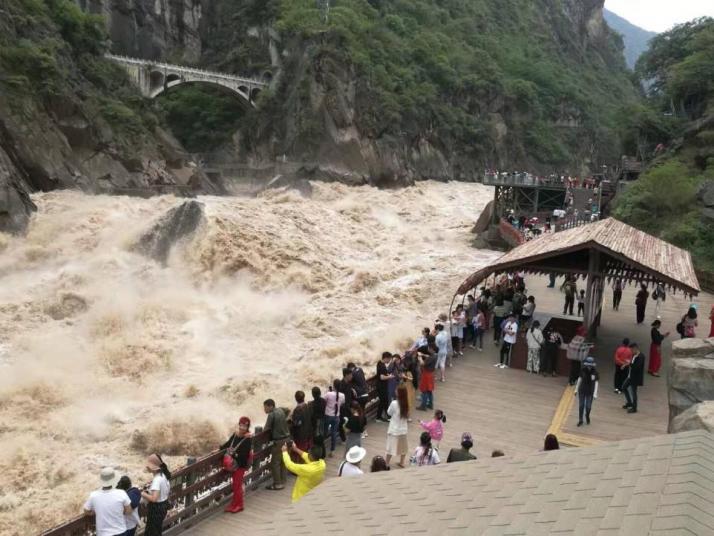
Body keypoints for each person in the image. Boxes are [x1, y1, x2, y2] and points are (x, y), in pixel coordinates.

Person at [83, 467, 132, 536]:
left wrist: (94, 512)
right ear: (114, 480)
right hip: (120, 531)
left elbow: (86, 510)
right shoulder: (121, 493)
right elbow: (128, 511)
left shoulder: (93, 495)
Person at [220, 417, 253, 513]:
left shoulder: (248, 439)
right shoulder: (235, 435)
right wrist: (219, 449)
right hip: (234, 464)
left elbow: (244, 455)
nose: (242, 428)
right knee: (235, 485)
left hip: (240, 465)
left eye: (245, 426)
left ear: (247, 427)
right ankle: (234, 504)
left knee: (237, 486)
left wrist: (232, 454)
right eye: (241, 425)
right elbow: (228, 444)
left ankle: (239, 505)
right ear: (239, 425)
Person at [141, 454, 171, 536]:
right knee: (157, 530)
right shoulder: (164, 475)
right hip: (163, 506)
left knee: (151, 532)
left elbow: (154, 499)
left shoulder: (157, 480)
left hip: (156, 509)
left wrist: (143, 494)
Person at [263, 399, 290, 490]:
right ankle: (283, 480)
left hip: (278, 441)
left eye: (265, 407)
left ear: (270, 406)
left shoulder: (271, 415)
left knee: (275, 463)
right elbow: (288, 410)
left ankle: (278, 484)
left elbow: (266, 429)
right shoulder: (281, 410)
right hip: (287, 439)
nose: (264, 409)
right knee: (283, 461)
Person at [385, 384, 409, 468]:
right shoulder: (407, 403)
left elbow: (389, 412)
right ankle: (402, 462)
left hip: (394, 428)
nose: (395, 391)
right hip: (403, 429)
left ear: (399, 393)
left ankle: (387, 463)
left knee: (390, 447)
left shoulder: (394, 403)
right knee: (403, 447)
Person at [574, 357, 599, 426]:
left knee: (588, 407)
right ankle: (580, 420)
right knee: (581, 405)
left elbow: (596, 383)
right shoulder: (583, 370)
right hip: (582, 390)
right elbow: (579, 380)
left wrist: (595, 393)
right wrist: (576, 389)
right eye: (588, 365)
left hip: (590, 392)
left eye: (590, 365)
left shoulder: (595, 372)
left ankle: (587, 415)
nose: (589, 366)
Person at [323, 380, 345, 457]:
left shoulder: (329, 394)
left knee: (324, 432)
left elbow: (323, 401)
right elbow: (342, 403)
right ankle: (332, 450)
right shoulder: (342, 395)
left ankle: (322, 448)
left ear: (334, 386)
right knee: (334, 433)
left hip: (328, 415)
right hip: (337, 416)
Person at [622, 343, 645, 414]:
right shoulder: (634, 355)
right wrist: (625, 364)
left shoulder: (641, 357)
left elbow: (636, 367)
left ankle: (634, 407)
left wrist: (629, 364)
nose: (631, 352)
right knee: (624, 387)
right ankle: (629, 402)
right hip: (630, 376)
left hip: (635, 377)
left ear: (635, 348)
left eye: (632, 350)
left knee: (634, 392)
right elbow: (632, 364)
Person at [290, 391, 313, 458]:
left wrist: (291, 420)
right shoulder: (308, 406)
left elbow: (297, 423)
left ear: (296, 398)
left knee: (299, 452)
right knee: (306, 450)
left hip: (300, 435)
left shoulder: (297, 409)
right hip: (308, 432)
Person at [308, 386, 326, 459]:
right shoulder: (323, 401)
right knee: (321, 440)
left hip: (316, 424)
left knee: (317, 441)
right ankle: (323, 454)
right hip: (322, 422)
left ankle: (318, 456)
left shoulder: (312, 404)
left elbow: (311, 415)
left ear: (313, 395)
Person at [375, 352, 394, 422]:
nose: (389, 361)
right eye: (389, 359)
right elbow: (382, 377)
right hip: (381, 386)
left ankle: (386, 416)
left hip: (380, 386)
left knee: (384, 401)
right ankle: (379, 417)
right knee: (383, 401)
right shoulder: (382, 366)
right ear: (386, 358)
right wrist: (390, 376)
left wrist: (387, 374)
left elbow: (381, 374)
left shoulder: (379, 363)